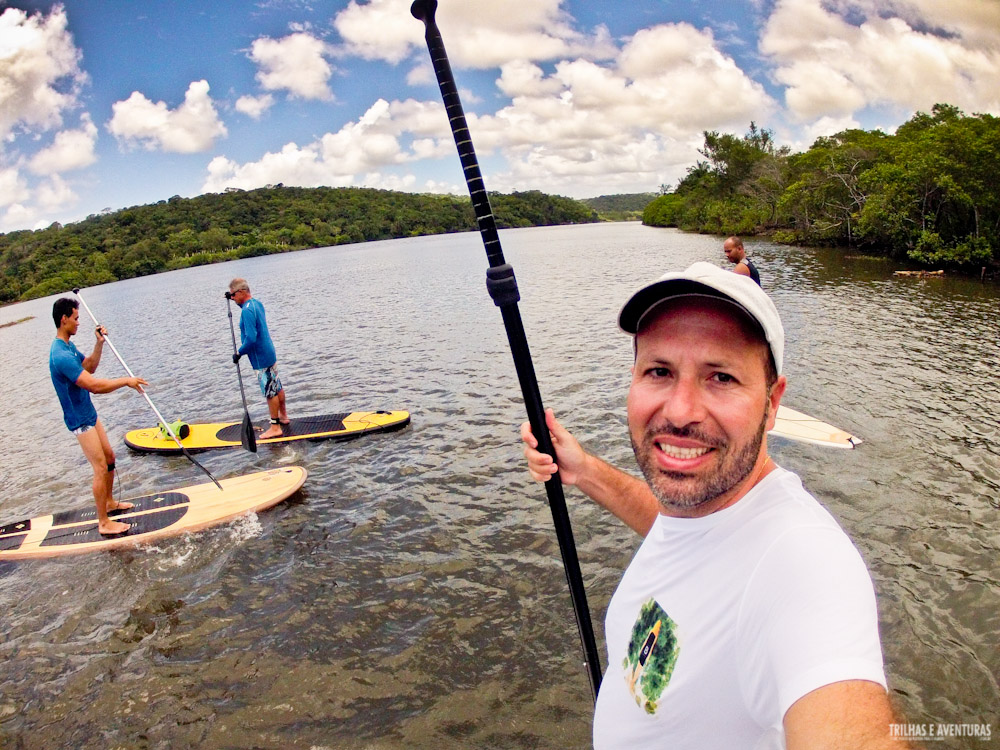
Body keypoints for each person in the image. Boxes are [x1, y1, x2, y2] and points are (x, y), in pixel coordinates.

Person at [521, 262, 905, 749]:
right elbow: (681, 534)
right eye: (659, 371)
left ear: (773, 402)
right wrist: (584, 471)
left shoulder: (805, 563)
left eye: (720, 377)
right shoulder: (707, 508)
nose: (680, 411)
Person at [50, 298, 147, 536]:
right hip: (79, 420)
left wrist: (99, 343)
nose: (78, 323)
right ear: (64, 320)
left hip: (89, 413)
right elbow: (93, 385)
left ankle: (110, 502)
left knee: (110, 457)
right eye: (75, 318)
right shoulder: (59, 355)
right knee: (100, 467)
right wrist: (125, 381)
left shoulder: (69, 347)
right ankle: (103, 523)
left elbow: (90, 367)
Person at [228, 278, 288, 439]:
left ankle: (275, 427)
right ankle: (283, 417)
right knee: (276, 384)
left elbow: (251, 338)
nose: (232, 299)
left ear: (241, 292)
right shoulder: (257, 304)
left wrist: (239, 353)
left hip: (259, 356)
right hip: (269, 351)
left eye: (233, 295)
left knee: (270, 391)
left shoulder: (247, 310)